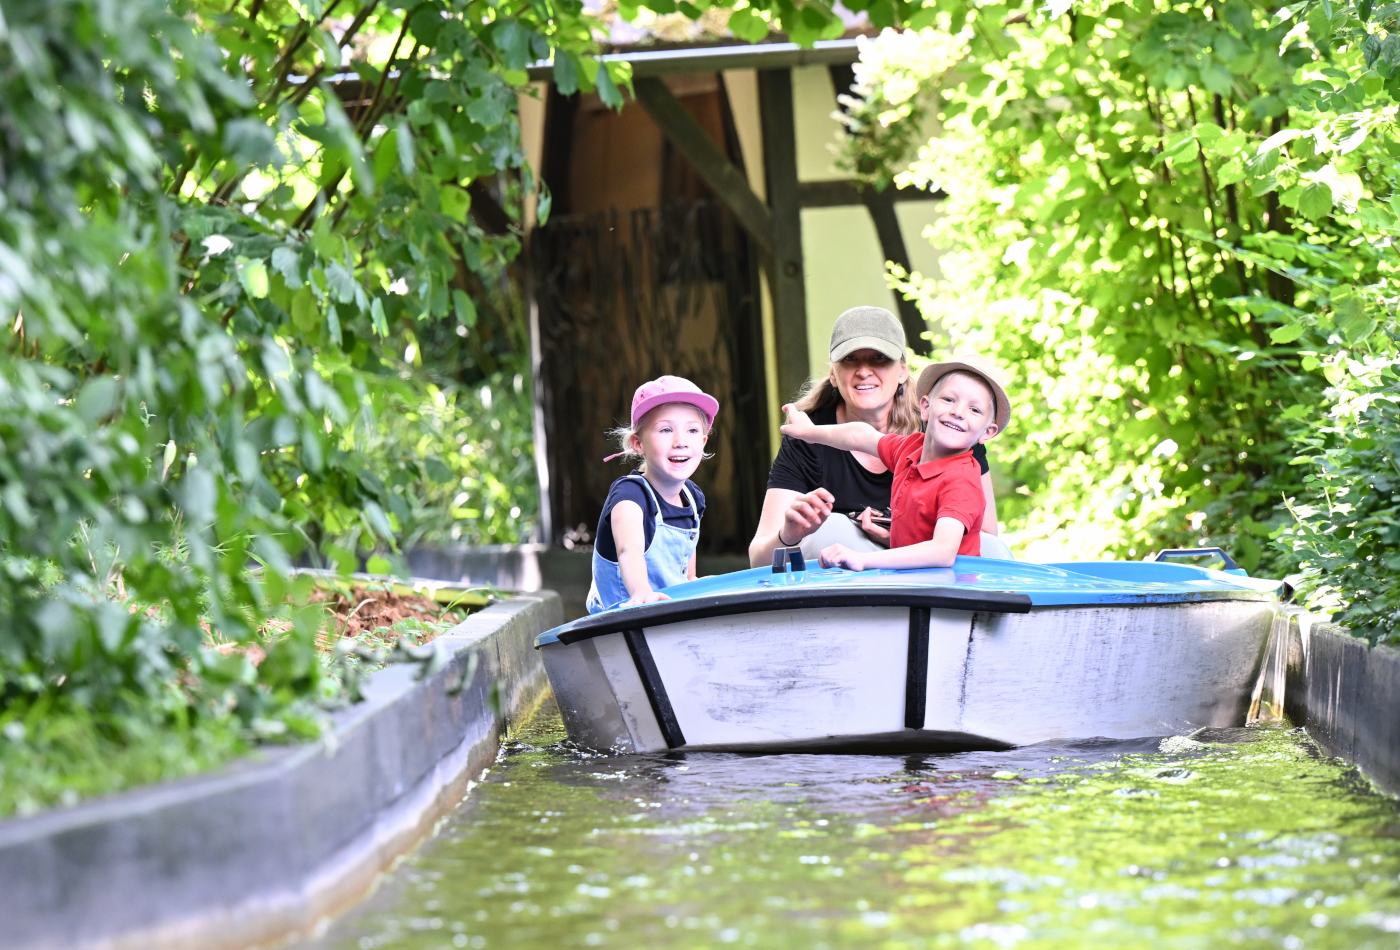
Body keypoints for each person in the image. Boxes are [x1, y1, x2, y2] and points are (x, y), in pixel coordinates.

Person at [748, 306, 999, 568]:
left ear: (902, 370)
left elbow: (957, 546)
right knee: (832, 529)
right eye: (850, 359)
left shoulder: (952, 437)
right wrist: (791, 534)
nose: (864, 370)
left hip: (944, 579)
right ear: (833, 373)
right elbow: (860, 435)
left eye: (879, 357)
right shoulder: (914, 445)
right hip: (863, 569)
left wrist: (876, 554)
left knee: (994, 550)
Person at [778, 354, 1010, 571]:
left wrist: (863, 558)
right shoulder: (911, 449)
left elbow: (943, 551)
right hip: (915, 584)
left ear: (987, 432)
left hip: (951, 597)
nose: (958, 412)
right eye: (949, 399)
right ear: (926, 407)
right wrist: (810, 432)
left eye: (974, 409)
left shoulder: (961, 480)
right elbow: (860, 435)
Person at [586, 376, 719, 614]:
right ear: (638, 444)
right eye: (666, 429)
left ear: (703, 441)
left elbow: (685, 570)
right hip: (621, 617)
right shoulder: (629, 496)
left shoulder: (692, 496)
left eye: (692, 430)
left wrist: (695, 583)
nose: (681, 442)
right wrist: (641, 592)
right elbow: (629, 549)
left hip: (666, 612)